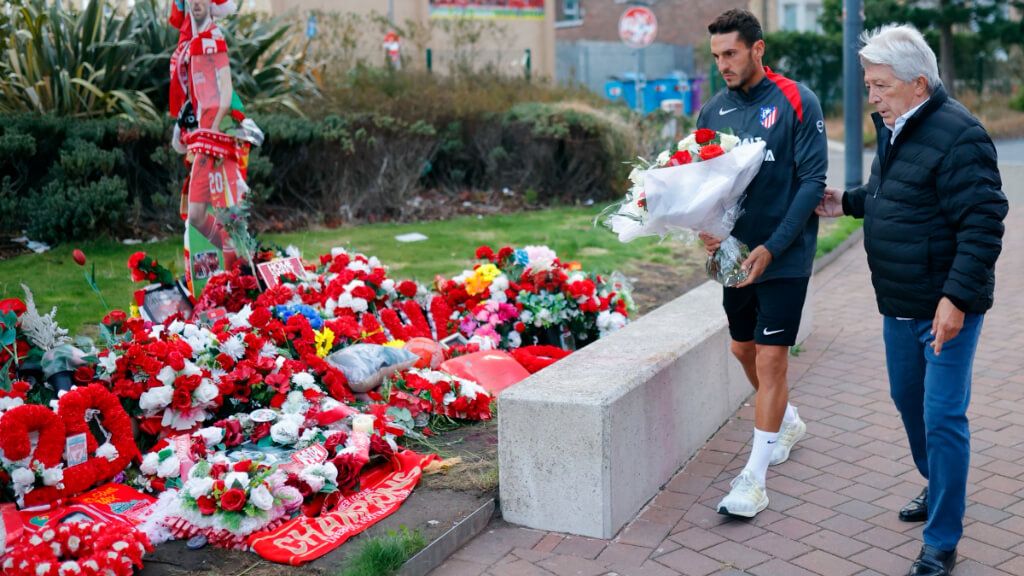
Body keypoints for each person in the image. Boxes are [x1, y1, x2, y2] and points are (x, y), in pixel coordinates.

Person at [816, 24, 1007, 576]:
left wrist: (955, 299)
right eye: (869, 84)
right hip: (897, 302)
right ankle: (937, 482)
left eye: (878, 85)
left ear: (917, 84)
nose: (870, 96)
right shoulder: (897, 126)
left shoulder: (959, 134)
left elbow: (983, 222)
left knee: (944, 416)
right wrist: (846, 202)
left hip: (945, 308)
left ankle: (941, 540)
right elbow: (893, 192)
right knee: (909, 403)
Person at [697, 9, 828, 518]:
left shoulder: (798, 100)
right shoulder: (712, 111)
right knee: (741, 348)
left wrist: (772, 246)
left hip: (785, 252)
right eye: (716, 57)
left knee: (773, 359)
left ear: (758, 49)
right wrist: (705, 228)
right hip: (734, 255)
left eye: (730, 54)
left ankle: (754, 478)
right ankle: (788, 420)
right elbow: (704, 184)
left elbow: (813, 182)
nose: (723, 65)